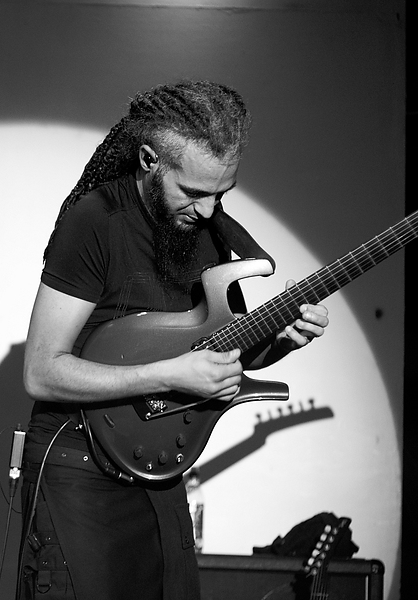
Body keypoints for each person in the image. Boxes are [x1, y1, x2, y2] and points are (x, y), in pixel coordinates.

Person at [18, 80, 328, 600]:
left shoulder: (209, 233)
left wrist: (282, 341)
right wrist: (168, 374)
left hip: (157, 472)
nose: (208, 210)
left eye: (221, 195)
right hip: (77, 470)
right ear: (148, 160)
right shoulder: (95, 221)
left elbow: (220, 354)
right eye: (193, 192)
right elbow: (41, 372)